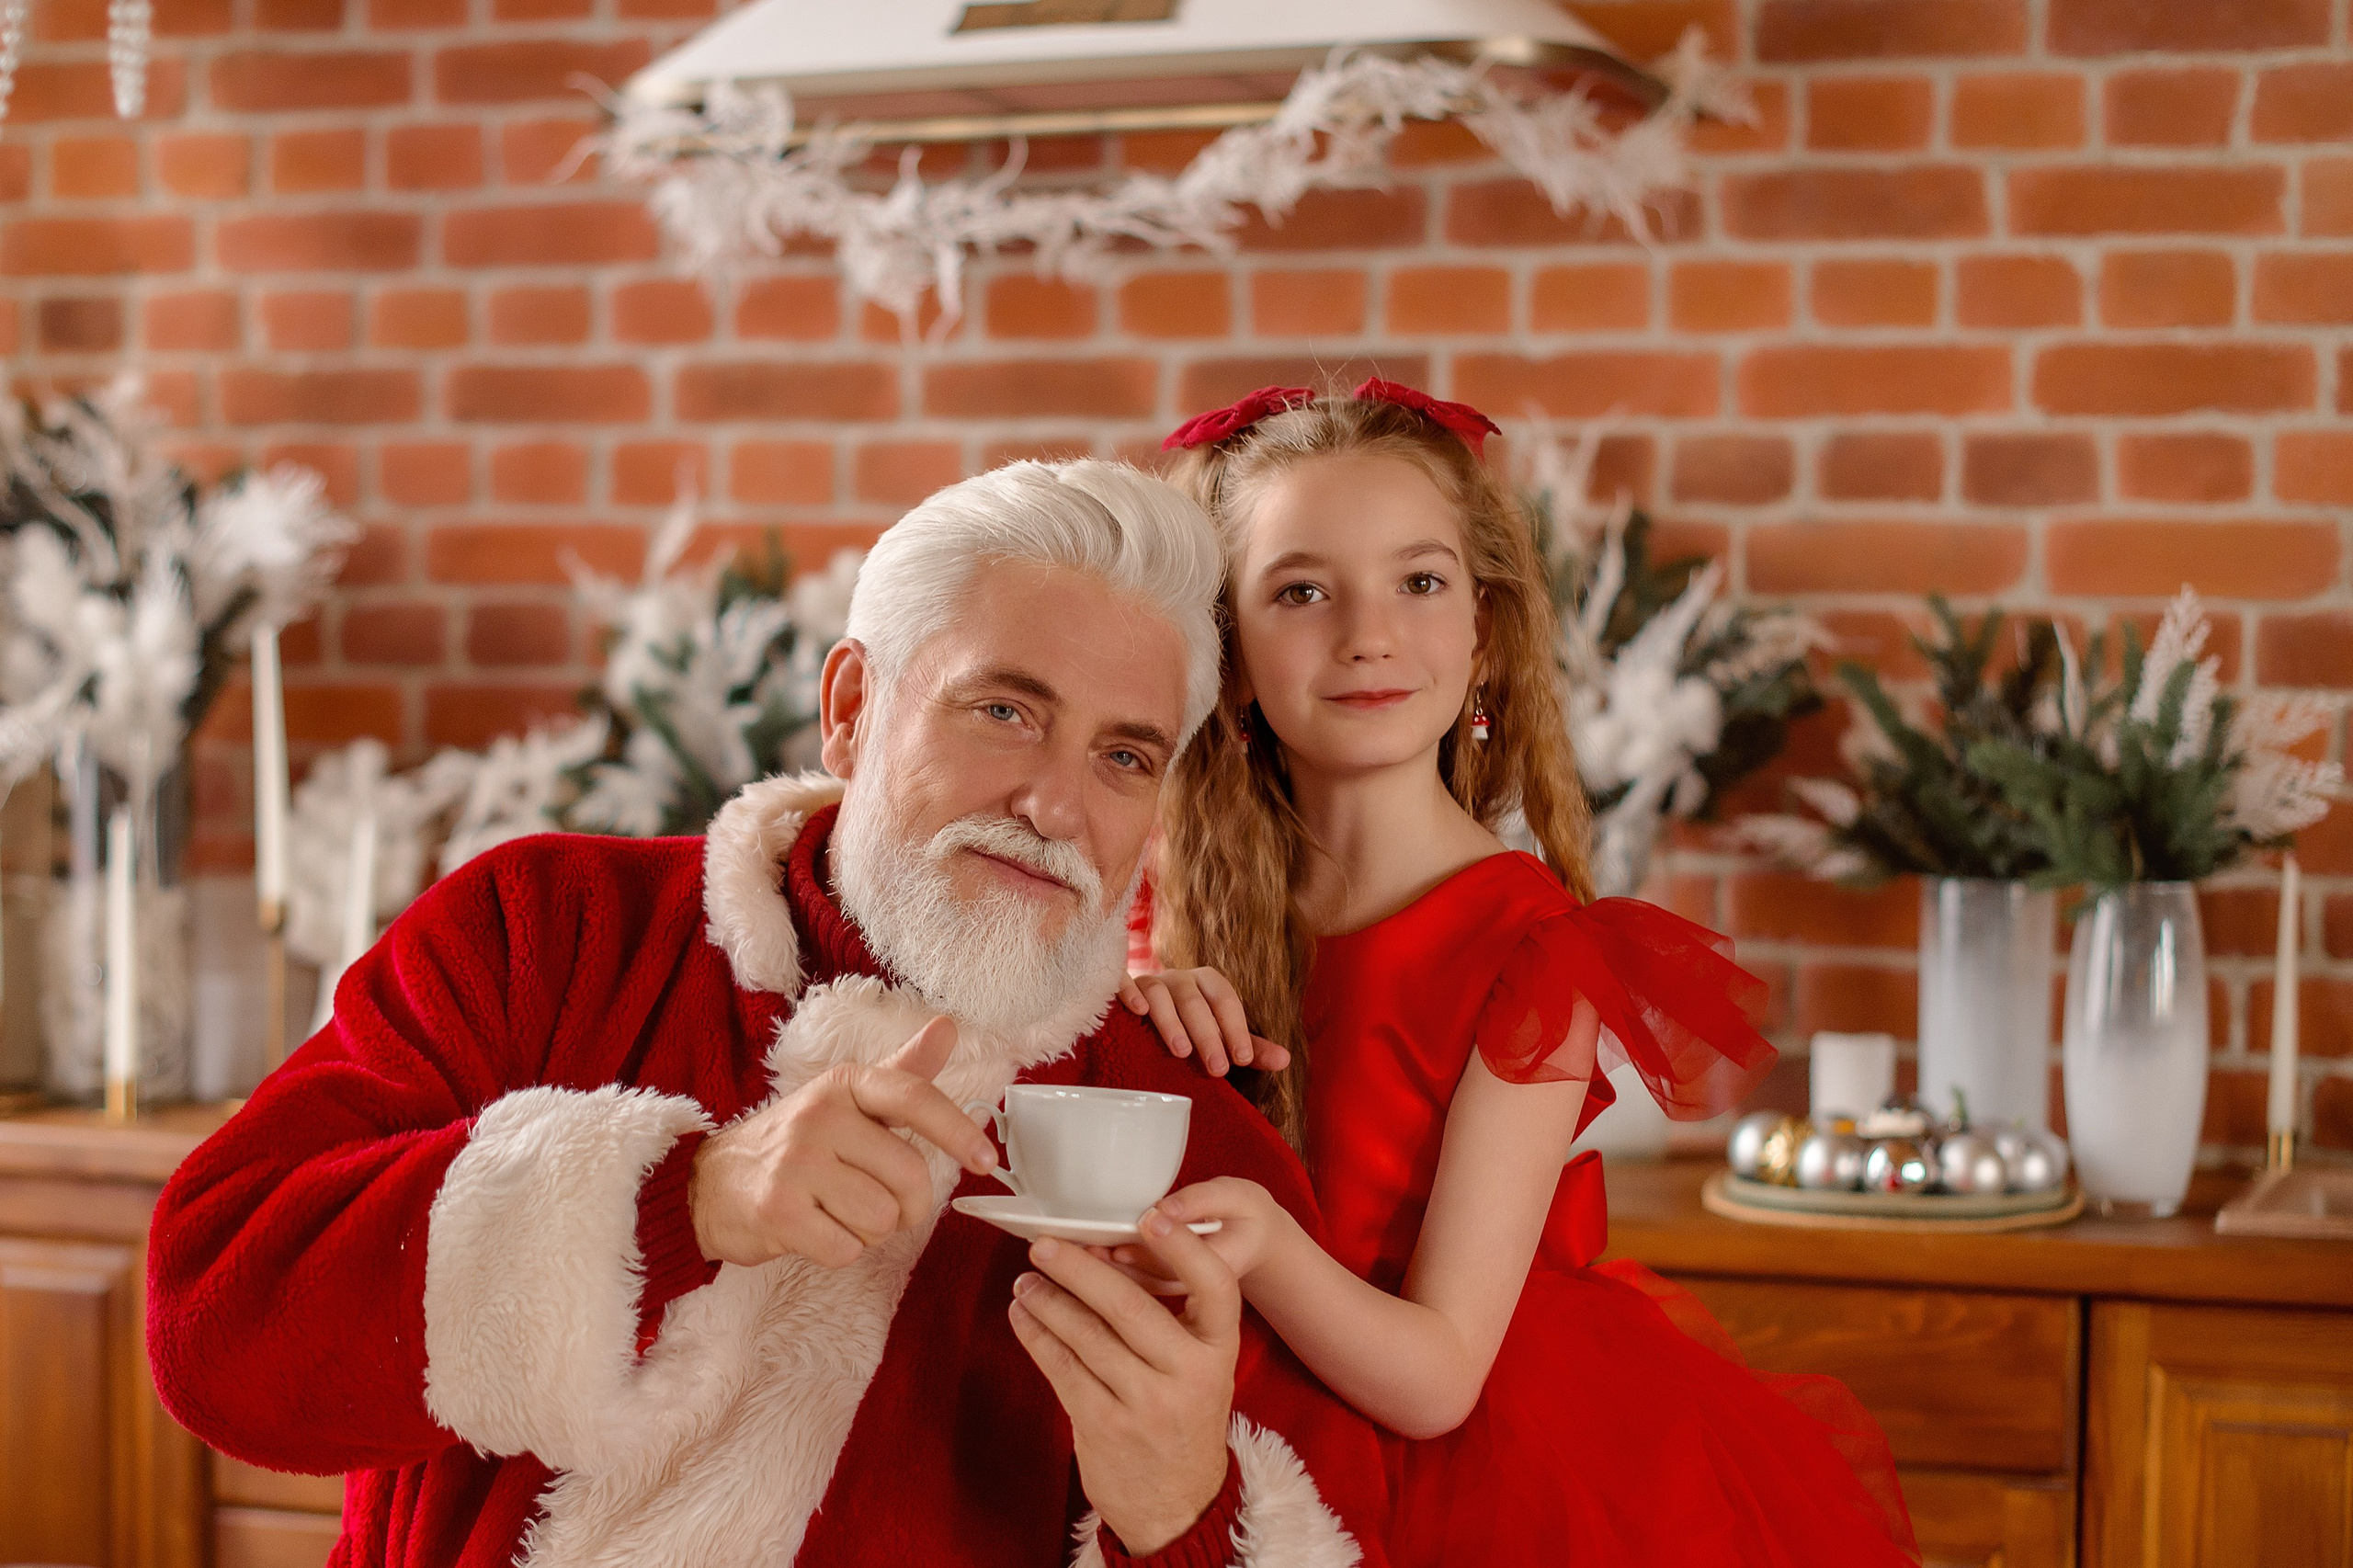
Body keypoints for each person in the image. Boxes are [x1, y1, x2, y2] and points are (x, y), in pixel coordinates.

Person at [145, 460, 1391, 1568]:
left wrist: (1182, 1516)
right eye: (1004, 710)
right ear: (850, 707)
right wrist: (680, 1198)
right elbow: (210, 1331)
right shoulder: (543, 932)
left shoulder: (1195, 1146)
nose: (1056, 806)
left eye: (1124, 756)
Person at [1114, 383, 1922, 1566]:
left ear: (1482, 634)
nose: (1367, 633)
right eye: (1301, 591)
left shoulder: (1529, 951)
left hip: (1469, 1471)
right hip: (1216, 1436)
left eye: (1418, 580)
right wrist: (1131, 1013)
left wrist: (1269, 1247)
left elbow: (1440, 1375)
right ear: (1228, 659)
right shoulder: (1170, 914)